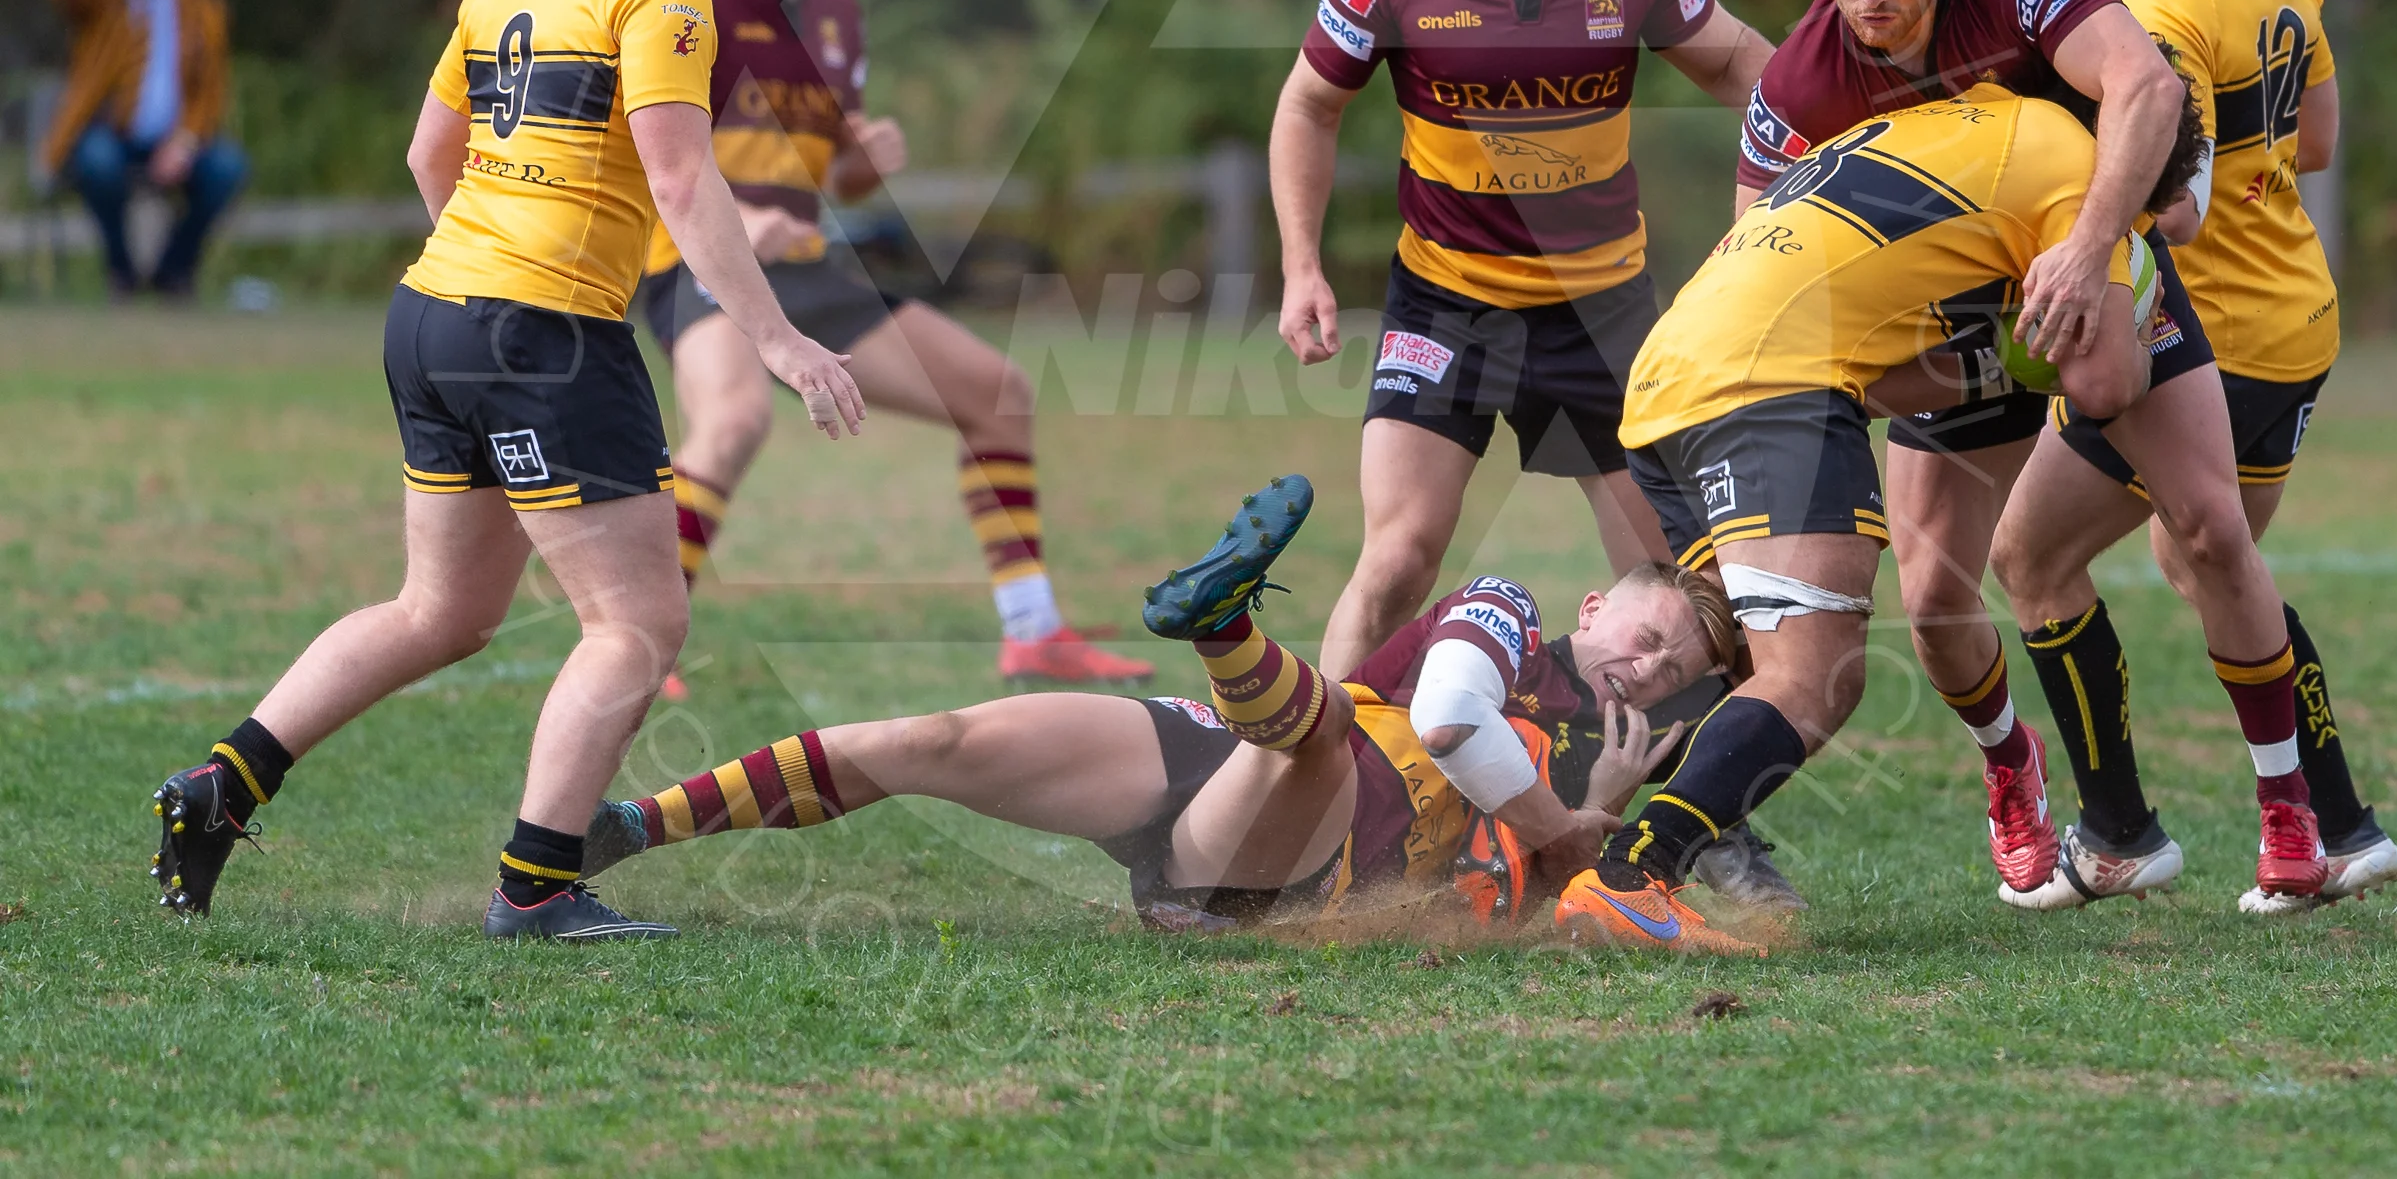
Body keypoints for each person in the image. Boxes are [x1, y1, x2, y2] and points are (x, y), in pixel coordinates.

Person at [148, 0, 866, 941]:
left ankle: (224, 783)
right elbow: (685, 186)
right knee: (637, 624)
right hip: (541, 334)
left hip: (433, 312)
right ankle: (535, 886)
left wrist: (483, 280)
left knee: (443, 608)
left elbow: (432, 153)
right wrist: (783, 341)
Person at [1731, 0, 2369, 908]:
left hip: (2093, 265)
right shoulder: (1803, 76)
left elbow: (2145, 86)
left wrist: (2086, 246)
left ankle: (2290, 811)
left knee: (2208, 526)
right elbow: (1755, 247)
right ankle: (2008, 766)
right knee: (1934, 601)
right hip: (1955, 331)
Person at [1554, 82, 2209, 940]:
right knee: (1813, 674)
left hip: (1665, 382)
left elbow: (1879, 378)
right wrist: (2134, 290)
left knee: (1715, 659)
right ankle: (1633, 868)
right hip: (1771, 387)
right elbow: (2108, 383)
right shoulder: (2085, 184)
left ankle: (1510, 820)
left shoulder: (1957, 123)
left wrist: (1996, 366)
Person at [581, 476, 1758, 950]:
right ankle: (630, 828)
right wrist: (1566, 820)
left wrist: (1599, 820)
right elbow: (1449, 710)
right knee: (930, 741)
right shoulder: (1501, 610)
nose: (1648, 669)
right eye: (1646, 634)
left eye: (1677, 668)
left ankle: (1226, 628)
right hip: (1229, 747)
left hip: (1287, 853)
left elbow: (1534, 919)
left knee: (1313, 733)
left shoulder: (1627, 775)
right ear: (1596, 605)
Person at [1996, 0, 2397, 912]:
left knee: (2030, 556)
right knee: (2211, 555)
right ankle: (2337, 822)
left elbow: (2177, 201)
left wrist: (2084, 227)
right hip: (2296, 320)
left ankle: (2118, 830)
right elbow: (2314, 139)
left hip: (2206, 336)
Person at [1269, 0, 1770, 669]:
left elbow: (1751, 75)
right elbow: (1307, 110)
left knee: (1678, 592)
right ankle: (1312, 786)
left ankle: (1697, 813)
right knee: (1399, 558)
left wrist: (1855, 147)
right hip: (1447, 300)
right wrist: (1302, 267)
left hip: (1602, 308)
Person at [635, 0, 1148, 690]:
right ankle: (641, 640)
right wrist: (740, 220)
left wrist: (867, 160)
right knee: (734, 421)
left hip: (807, 266)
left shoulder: (835, 12)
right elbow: (653, 147)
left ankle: (1032, 629)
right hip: (697, 258)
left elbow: (837, 174)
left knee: (998, 393)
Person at [44, 0, 250, 298]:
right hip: (112, 135)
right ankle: (120, 269)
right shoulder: (106, 0)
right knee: (97, 162)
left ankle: (173, 270)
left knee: (227, 168)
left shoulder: (200, 7)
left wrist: (185, 143)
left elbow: (210, 90)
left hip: (176, 140)